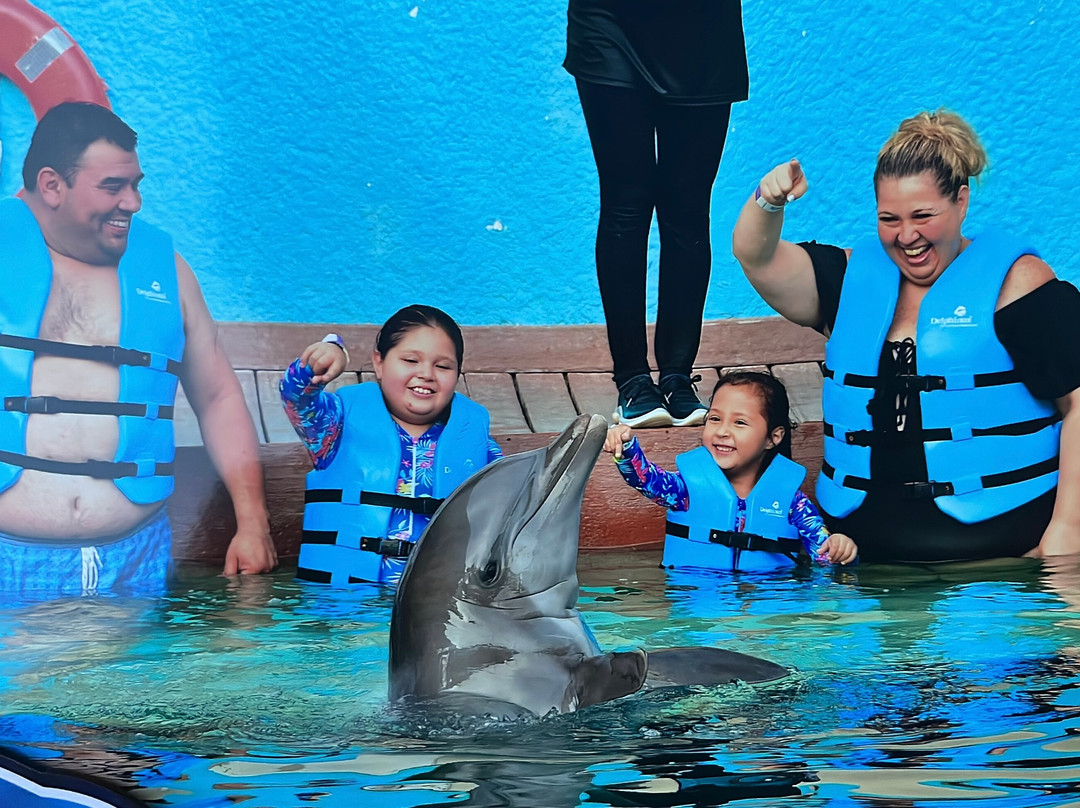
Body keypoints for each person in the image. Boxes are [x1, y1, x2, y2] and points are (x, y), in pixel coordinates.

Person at [732, 109, 1080, 562]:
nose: (907, 236)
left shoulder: (1018, 284)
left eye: (923, 215)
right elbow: (755, 257)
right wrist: (768, 200)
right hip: (860, 559)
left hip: (1000, 562)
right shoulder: (850, 280)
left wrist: (1067, 533)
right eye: (889, 219)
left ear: (961, 201)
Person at [0, 102, 277, 598]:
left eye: (136, 185)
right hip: (7, 558)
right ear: (51, 184)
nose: (133, 203)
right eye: (112, 187)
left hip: (134, 562)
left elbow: (218, 398)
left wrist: (252, 523)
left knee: (136, 678)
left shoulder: (167, 272)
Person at [564, 0, 749, 429]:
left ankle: (677, 377)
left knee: (687, 209)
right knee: (625, 201)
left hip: (703, 26)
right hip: (609, 19)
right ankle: (632, 379)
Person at [280, 305, 503, 587]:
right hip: (344, 611)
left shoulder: (477, 444)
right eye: (410, 360)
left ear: (457, 374)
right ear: (379, 363)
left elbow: (512, 503)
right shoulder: (333, 426)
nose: (426, 374)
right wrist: (330, 351)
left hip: (432, 608)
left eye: (443, 366)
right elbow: (296, 395)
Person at [603, 371, 857, 571]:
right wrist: (626, 448)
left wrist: (839, 548)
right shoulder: (685, 490)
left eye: (739, 422)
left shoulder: (793, 503)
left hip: (767, 612)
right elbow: (647, 479)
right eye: (714, 419)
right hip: (698, 606)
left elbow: (823, 556)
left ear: (773, 437)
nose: (723, 431)